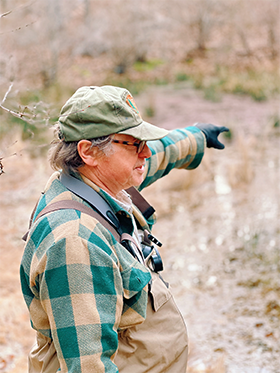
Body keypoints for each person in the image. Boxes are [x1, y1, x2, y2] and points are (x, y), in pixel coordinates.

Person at [20, 85, 228, 373]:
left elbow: (154, 156)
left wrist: (197, 137)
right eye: (133, 143)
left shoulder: (92, 181)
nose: (144, 152)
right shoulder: (76, 241)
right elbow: (88, 367)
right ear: (88, 151)